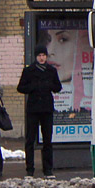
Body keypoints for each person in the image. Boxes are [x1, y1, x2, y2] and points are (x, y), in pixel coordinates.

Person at [17, 44, 62, 177]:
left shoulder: (51, 70)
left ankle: (48, 169)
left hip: (47, 109)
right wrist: (33, 87)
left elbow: (58, 87)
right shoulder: (29, 71)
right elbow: (20, 88)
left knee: (47, 140)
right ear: (36, 57)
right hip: (33, 108)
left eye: (43, 55)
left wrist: (49, 85)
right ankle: (29, 169)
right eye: (39, 56)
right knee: (30, 139)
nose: (42, 58)